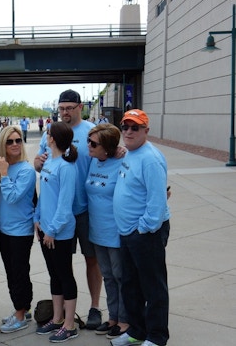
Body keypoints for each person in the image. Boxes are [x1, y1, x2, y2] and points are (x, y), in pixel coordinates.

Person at [34, 89, 103, 330]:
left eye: (69, 108)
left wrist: (120, 151)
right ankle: (62, 312)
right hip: (55, 215)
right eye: (61, 108)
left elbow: (108, 154)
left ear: (79, 107)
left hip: (83, 209)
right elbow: (39, 164)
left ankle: (94, 307)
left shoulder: (92, 131)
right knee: (62, 266)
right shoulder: (50, 135)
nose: (64, 112)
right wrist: (38, 163)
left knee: (91, 259)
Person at [111, 109, 170, 346]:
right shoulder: (129, 153)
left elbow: (157, 204)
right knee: (131, 286)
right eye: (125, 127)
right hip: (127, 233)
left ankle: (156, 337)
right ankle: (137, 331)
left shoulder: (150, 159)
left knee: (153, 287)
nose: (128, 131)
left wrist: (142, 229)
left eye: (135, 127)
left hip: (146, 234)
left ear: (146, 130)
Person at [34, 122, 79, 343]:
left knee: (65, 275)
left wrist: (52, 230)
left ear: (52, 139)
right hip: (45, 229)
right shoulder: (50, 162)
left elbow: (65, 204)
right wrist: (37, 219)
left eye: (48, 134)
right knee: (54, 275)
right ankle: (58, 318)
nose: (45, 136)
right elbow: (44, 196)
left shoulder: (66, 167)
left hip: (59, 233)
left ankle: (70, 325)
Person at [84, 123, 129, 340]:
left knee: (121, 276)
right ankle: (112, 317)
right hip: (97, 230)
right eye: (88, 141)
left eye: (93, 143)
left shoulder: (122, 161)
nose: (89, 146)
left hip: (116, 231)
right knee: (109, 276)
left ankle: (124, 320)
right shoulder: (93, 160)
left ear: (108, 148)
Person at [0, 126, 36, 333]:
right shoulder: (3, 167)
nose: (14, 145)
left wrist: (3, 174)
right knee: (11, 273)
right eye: (10, 141)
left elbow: (12, 198)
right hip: (4, 230)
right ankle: (21, 308)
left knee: (19, 273)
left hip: (20, 231)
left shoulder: (26, 170)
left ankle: (20, 314)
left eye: (18, 140)